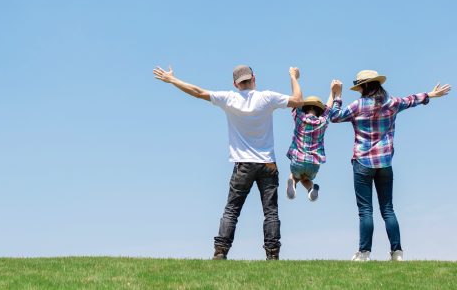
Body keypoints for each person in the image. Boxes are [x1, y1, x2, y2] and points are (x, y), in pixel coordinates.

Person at [153, 64, 304, 261]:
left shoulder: (229, 98)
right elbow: (299, 101)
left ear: (235, 84)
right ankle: (272, 254)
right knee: (271, 212)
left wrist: (172, 80)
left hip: (243, 166)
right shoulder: (267, 97)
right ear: (254, 78)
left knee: (232, 210)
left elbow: (198, 92)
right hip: (268, 164)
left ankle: (220, 252)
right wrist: (293, 77)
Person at [330, 70, 451, 261]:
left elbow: (334, 117)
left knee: (365, 210)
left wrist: (337, 96)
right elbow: (411, 100)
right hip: (385, 163)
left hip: (362, 162)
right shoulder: (391, 103)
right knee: (388, 209)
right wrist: (430, 95)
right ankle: (397, 253)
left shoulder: (357, 105)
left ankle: (364, 253)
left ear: (364, 86)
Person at [285, 81, 342, 202]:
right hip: (314, 165)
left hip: (298, 161)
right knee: (305, 179)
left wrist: (294, 78)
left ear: (304, 108)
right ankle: (311, 188)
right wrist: (333, 92)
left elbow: (296, 99)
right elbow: (329, 109)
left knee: (295, 176)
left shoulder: (300, 118)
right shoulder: (322, 122)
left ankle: (292, 182)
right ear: (320, 111)